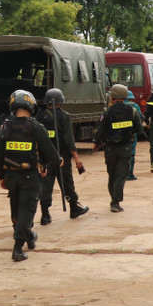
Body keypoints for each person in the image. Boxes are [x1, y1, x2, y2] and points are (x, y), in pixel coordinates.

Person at [0, 89, 59, 262]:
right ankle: (17, 249)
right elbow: (48, 150)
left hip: (10, 176)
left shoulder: (5, 126)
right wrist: (55, 161)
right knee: (27, 211)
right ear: (31, 106)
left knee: (16, 208)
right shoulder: (35, 126)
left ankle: (29, 237)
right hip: (29, 176)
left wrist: (1, 175)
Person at [36, 88, 89, 224]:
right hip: (62, 158)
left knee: (45, 186)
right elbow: (69, 140)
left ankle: (45, 215)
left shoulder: (39, 116)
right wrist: (77, 157)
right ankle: (74, 208)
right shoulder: (64, 116)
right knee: (67, 184)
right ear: (61, 101)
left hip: (45, 158)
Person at [93, 85, 143, 212]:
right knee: (121, 175)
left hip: (110, 148)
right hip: (126, 148)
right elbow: (139, 129)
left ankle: (113, 198)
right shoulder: (133, 111)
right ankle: (115, 201)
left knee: (112, 174)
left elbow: (100, 130)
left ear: (113, 97)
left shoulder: (106, 112)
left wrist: (96, 142)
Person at [123, 90, 144, 180]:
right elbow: (140, 120)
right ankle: (130, 174)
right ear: (131, 99)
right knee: (131, 153)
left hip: (118, 135)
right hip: (131, 134)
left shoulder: (116, 107)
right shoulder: (135, 107)